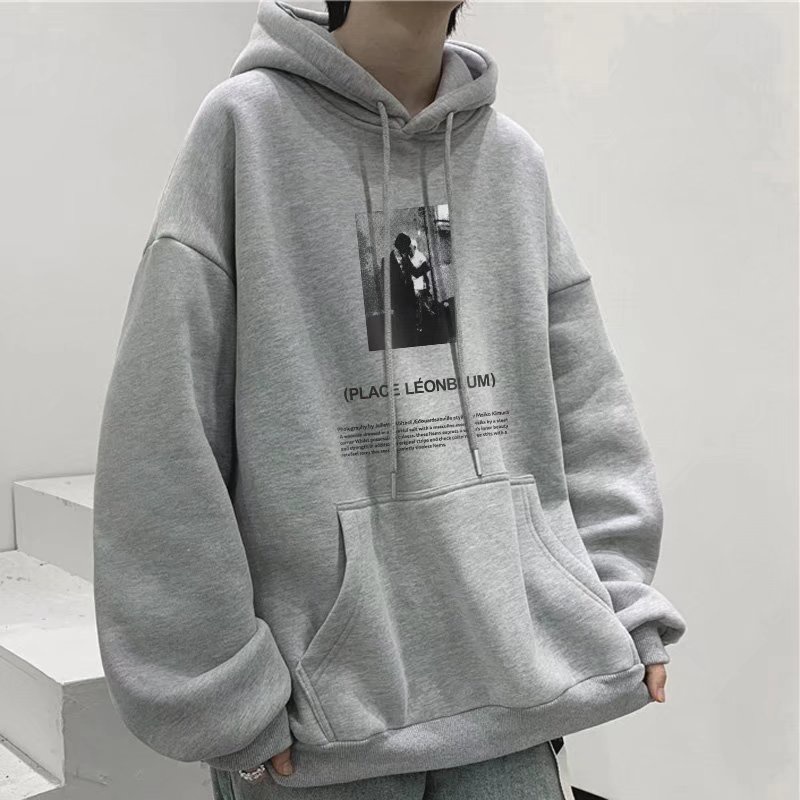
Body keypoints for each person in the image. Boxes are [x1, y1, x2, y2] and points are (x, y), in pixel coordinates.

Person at [92, 1, 688, 798]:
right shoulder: (245, 131)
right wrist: (221, 696)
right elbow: (162, 435)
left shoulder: (511, 161)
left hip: (516, 690)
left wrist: (613, 592)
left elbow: (587, 403)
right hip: (319, 724)